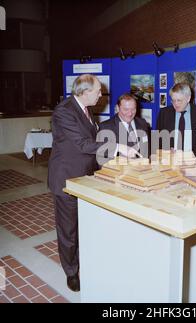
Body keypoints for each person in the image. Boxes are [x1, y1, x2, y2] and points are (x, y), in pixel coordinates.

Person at [48, 75, 138, 292]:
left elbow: (92, 144)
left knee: (83, 225)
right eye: (98, 91)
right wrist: (118, 147)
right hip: (67, 178)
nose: (101, 94)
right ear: (85, 91)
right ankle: (71, 272)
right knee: (68, 229)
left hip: (85, 178)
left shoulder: (86, 111)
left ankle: (82, 262)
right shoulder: (65, 111)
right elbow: (81, 144)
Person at [97, 93, 150, 165]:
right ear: (117, 108)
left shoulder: (143, 123)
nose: (130, 113)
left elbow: (147, 149)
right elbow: (102, 159)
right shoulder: (105, 127)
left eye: (133, 109)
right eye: (126, 109)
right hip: (120, 173)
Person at [156, 83, 196, 158]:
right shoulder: (164, 113)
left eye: (179, 100)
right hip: (171, 160)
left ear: (188, 98)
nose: (176, 104)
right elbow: (159, 138)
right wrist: (166, 150)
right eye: (173, 100)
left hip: (193, 160)